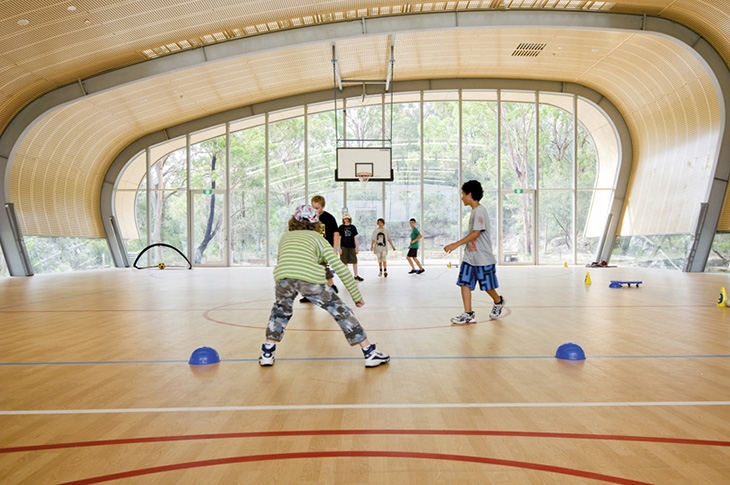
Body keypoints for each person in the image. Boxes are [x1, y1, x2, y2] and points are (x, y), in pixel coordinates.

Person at [259, 204, 389, 367]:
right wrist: (356, 296)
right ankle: (369, 353)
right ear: (316, 223)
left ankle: (267, 353)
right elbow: (339, 267)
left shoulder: (285, 237)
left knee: (279, 313)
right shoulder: (318, 238)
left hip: (283, 278)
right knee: (340, 311)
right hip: (310, 280)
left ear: (293, 221)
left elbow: (285, 261)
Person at [444, 180, 505, 324]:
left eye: (463, 194)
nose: (461, 197)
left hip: (483, 257)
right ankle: (468, 313)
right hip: (470, 257)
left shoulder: (480, 211)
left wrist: (455, 244)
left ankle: (498, 301)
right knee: (464, 282)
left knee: (487, 287)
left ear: (470, 194)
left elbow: (476, 233)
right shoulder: (474, 212)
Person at [300, 195, 339, 303]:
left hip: (324, 248)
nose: (315, 210)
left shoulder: (329, 218)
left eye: (317, 208)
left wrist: (336, 248)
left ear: (322, 206)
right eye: (313, 208)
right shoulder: (309, 218)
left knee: (322, 267)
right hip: (312, 247)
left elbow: (336, 233)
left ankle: (331, 286)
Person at [336, 213, 364, 281]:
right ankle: (347, 276)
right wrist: (339, 248)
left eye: (347, 218)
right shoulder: (341, 227)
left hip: (352, 246)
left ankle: (356, 275)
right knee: (344, 262)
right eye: (345, 218)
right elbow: (339, 238)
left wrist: (356, 247)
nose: (346, 220)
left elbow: (355, 238)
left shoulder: (353, 227)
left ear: (349, 219)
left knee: (354, 261)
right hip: (344, 246)